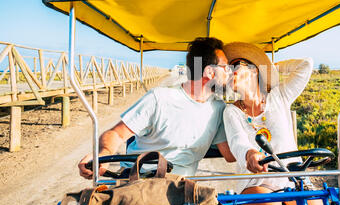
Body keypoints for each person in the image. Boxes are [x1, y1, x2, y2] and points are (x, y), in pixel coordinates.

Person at [78, 37, 236, 179]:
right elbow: (117, 134)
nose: (230, 73)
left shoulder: (218, 108)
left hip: (180, 189)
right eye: (226, 68)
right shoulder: (160, 98)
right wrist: (103, 155)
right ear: (209, 71)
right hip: (140, 181)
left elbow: (230, 155)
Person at [222, 42, 325, 205]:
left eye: (236, 66)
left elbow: (305, 64)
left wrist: (270, 68)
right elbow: (237, 141)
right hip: (256, 180)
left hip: (292, 177)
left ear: (255, 71)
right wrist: (250, 154)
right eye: (228, 70)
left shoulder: (279, 97)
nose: (231, 72)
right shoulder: (231, 111)